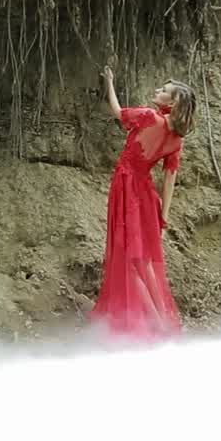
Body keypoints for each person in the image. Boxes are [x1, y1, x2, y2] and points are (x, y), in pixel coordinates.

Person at [90, 65, 196, 339]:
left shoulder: (150, 117)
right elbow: (169, 179)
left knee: (129, 257)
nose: (157, 91)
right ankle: (164, 321)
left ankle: (153, 325)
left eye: (163, 91)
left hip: (127, 187)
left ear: (172, 103)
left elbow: (117, 112)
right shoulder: (176, 140)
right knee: (145, 260)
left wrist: (109, 82)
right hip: (148, 195)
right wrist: (163, 214)